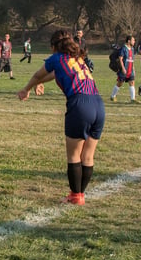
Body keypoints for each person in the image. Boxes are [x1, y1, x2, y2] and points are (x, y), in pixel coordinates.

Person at [17, 30, 104, 205]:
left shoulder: (56, 58)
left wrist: (26, 89)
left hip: (80, 104)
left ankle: (75, 196)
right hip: (98, 104)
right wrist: (41, 83)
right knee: (88, 156)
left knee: (73, 155)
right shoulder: (77, 59)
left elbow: (38, 74)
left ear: (53, 46)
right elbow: (55, 74)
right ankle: (80, 195)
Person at [109, 35, 139, 103]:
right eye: (133, 40)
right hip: (124, 69)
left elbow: (132, 60)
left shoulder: (132, 49)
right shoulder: (123, 49)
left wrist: (133, 69)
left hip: (130, 69)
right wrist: (123, 68)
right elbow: (120, 59)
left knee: (132, 82)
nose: (134, 42)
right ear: (129, 41)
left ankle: (133, 99)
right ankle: (112, 96)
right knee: (120, 83)